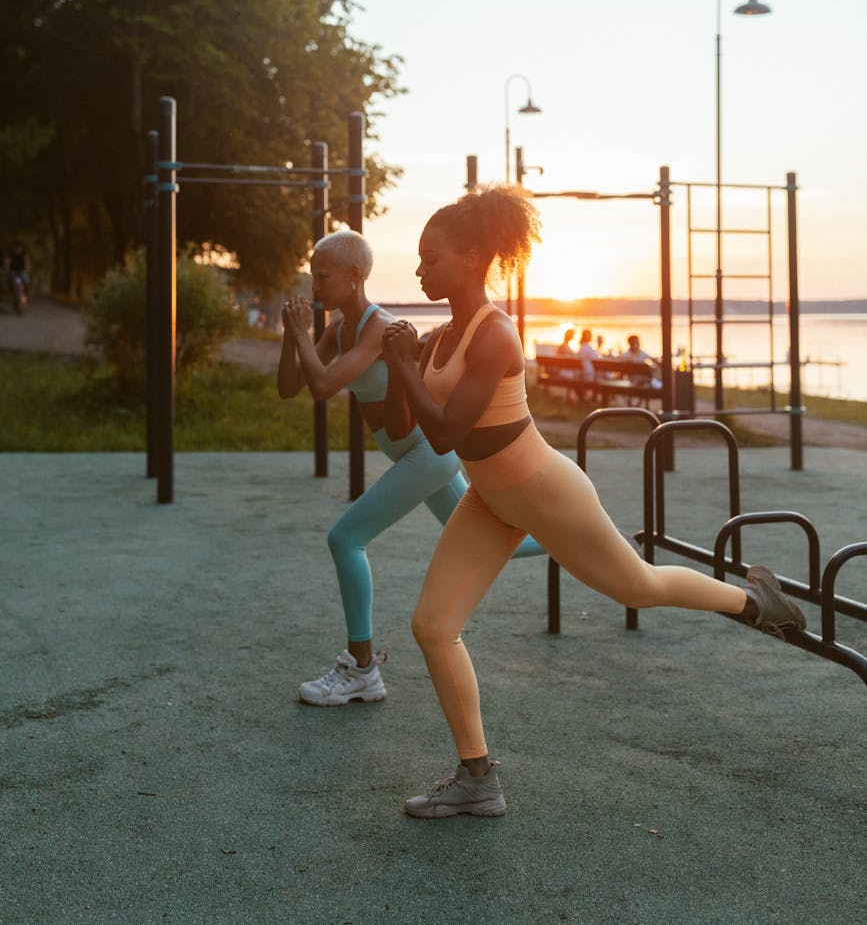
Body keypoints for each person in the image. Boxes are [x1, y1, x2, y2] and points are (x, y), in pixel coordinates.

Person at [381, 185, 806, 819]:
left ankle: (754, 600)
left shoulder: (495, 334)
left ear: (473, 257)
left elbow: (446, 434)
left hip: (546, 492)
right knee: (433, 627)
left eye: (431, 258)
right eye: (418, 260)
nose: (420, 271)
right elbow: (401, 428)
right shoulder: (439, 336)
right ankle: (478, 778)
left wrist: (407, 369)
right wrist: (400, 366)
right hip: (492, 500)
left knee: (637, 587)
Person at [278, 229, 542, 709]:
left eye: (322, 276)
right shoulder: (341, 327)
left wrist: (300, 333)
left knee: (345, 537)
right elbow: (291, 385)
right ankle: (571, 539)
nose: (314, 286)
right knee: (511, 540)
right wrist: (288, 336)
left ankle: (362, 668)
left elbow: (322, 389)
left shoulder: (380, 328)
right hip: (411, 453)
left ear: (354, 276)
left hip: (426, 452)